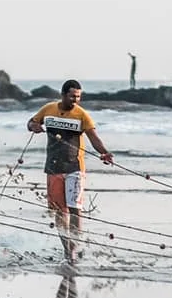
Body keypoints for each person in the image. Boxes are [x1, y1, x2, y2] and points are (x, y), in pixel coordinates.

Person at [27, 79, 112, 264]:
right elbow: (31, 123)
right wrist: (34, 126)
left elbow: (94, 138)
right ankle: (66, 249)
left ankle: (73, 249)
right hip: (53, 167)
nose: (76, 100)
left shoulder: (82, 115)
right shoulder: (48, 109)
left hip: (75, 168)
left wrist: (104, 152)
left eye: (79, 97)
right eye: (73, 96)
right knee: (59, 211)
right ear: (63, 94)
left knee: (75, 210)